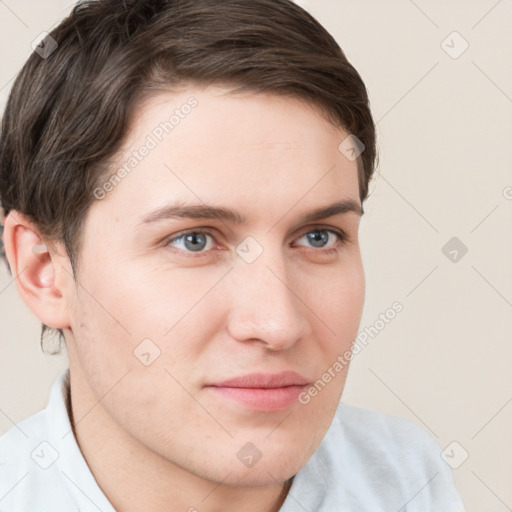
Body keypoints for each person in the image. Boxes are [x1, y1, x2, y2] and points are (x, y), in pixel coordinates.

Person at [0, 1, 466, 511]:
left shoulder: (408, 479)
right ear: (44, 270)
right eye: (193, 240)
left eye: (318, 237)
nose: (278, 323)